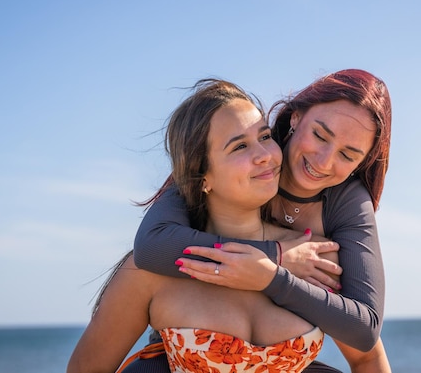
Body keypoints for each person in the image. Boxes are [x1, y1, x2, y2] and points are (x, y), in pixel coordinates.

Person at [129, 69, 393, 372]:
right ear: (295, 118)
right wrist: (277, 256)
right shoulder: (244, 155)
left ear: (363, 162)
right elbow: (151, 246)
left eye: (348, 155)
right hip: (187, 356)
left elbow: (364, 329)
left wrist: (272, 278)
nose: (324, 162)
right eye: (320, 135)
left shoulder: (346, 201)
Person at [67, 79, 338, 373]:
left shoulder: (314, 255)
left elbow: (366, 358)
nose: (265, 155)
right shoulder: (150, 272)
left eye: (264, 136)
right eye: (240, 147)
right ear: (203, 178)